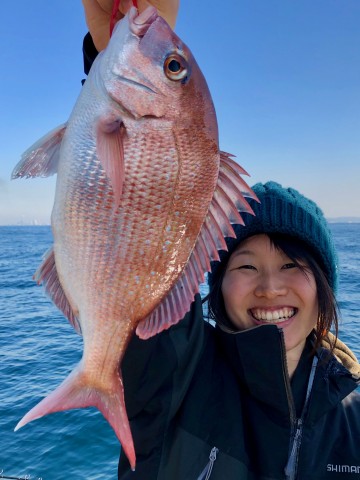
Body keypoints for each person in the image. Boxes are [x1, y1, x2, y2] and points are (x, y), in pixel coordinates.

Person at [81, 4, 360, 479]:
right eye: (246, 266)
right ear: (210, 281)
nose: (270, 287)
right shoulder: (179, 375)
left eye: (293, 264)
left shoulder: (352, 414)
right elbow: (133, 213)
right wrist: (111, 57)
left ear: (324, 286)